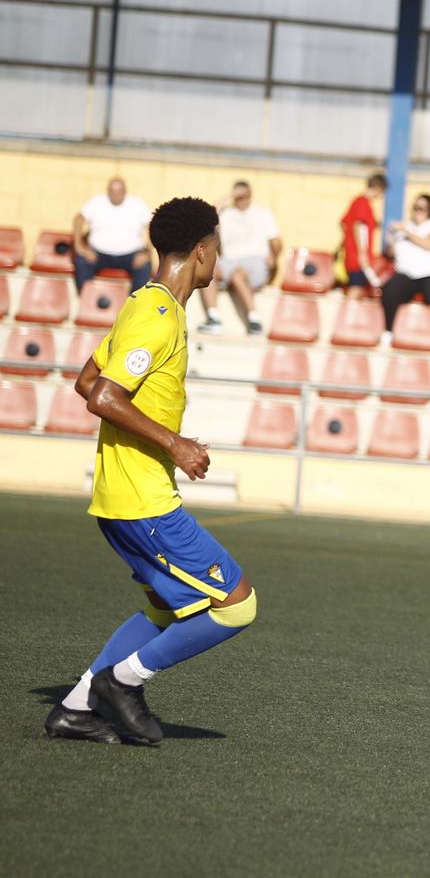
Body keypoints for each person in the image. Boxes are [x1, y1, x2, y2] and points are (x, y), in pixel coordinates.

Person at [45, 196, 258, 746]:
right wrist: (174, 443)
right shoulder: (157, 316)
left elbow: (87, 380)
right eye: (217, 249)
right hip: (143, 502)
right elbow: (103, 396)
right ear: (202, 250)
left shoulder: (144, 305)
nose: (218, 259)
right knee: (237, 604)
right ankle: (125, 680)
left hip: (121, 497)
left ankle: (75, 708)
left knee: (164, 608)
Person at [199, 181, 280, 336]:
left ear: (250, 195)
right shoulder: (226, 214)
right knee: (207, 269)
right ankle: (213, 318)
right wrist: (230, 196)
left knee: (238, 275)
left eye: (244, 195)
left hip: (255, 261)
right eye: (239, 196)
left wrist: (274, 257)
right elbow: (208, 214)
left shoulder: (263, 213)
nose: (242, 199)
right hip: (229, 260)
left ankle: (255, 321)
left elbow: (276, 241)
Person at [382, 193, 430, 341]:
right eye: (415, 207)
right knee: (391, 291)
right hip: (408, 274)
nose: (417, 211)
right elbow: (392, 253)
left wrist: (407, 232)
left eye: (422, 208)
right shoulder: (406, 226)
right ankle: (389, 331)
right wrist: (390, 240)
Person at [72, 177, 152, 291]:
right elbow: (78, 219)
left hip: (131, 256)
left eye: (119, 191)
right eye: (112, 191)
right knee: (81, 261)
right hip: (98, 254)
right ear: (108, 191)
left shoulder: (138, 204)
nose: (116, 194)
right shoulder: (96, 202)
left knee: (144, 265)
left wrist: (147, 252)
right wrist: (79, 247)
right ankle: (88, 298)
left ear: (125, 191)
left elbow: (152, 225)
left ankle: (135, 301)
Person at [339, 173, 386, 295]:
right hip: (358, 258)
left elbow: (344, 223)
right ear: (378, 187)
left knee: (358, 290)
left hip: (352, 254)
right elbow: (358, 225)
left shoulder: (357, 201)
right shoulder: (363, 203)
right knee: (356, 290)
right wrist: (362, 253)